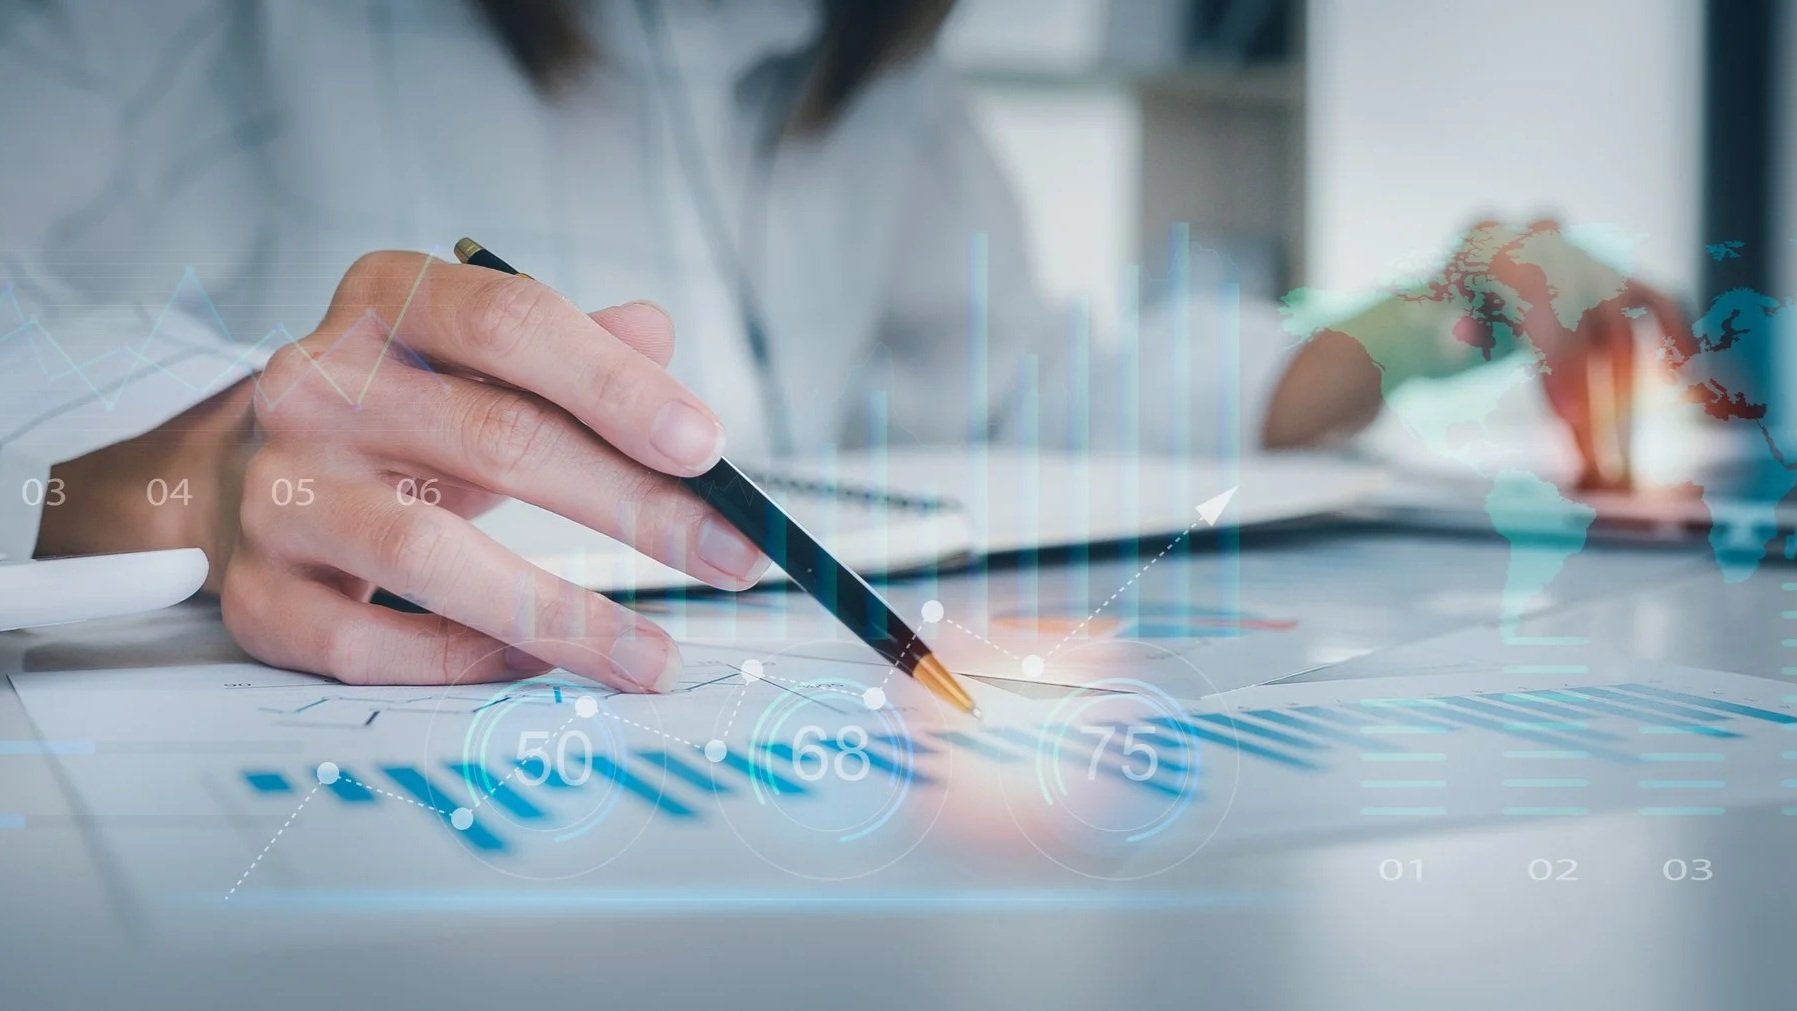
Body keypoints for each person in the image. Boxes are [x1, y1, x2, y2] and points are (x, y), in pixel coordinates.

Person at [0, 0, 1680, 691]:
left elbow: (1019, 388)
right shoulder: (182, 30)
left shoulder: (870, 82)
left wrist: (1425, 315)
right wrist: (202, 470)